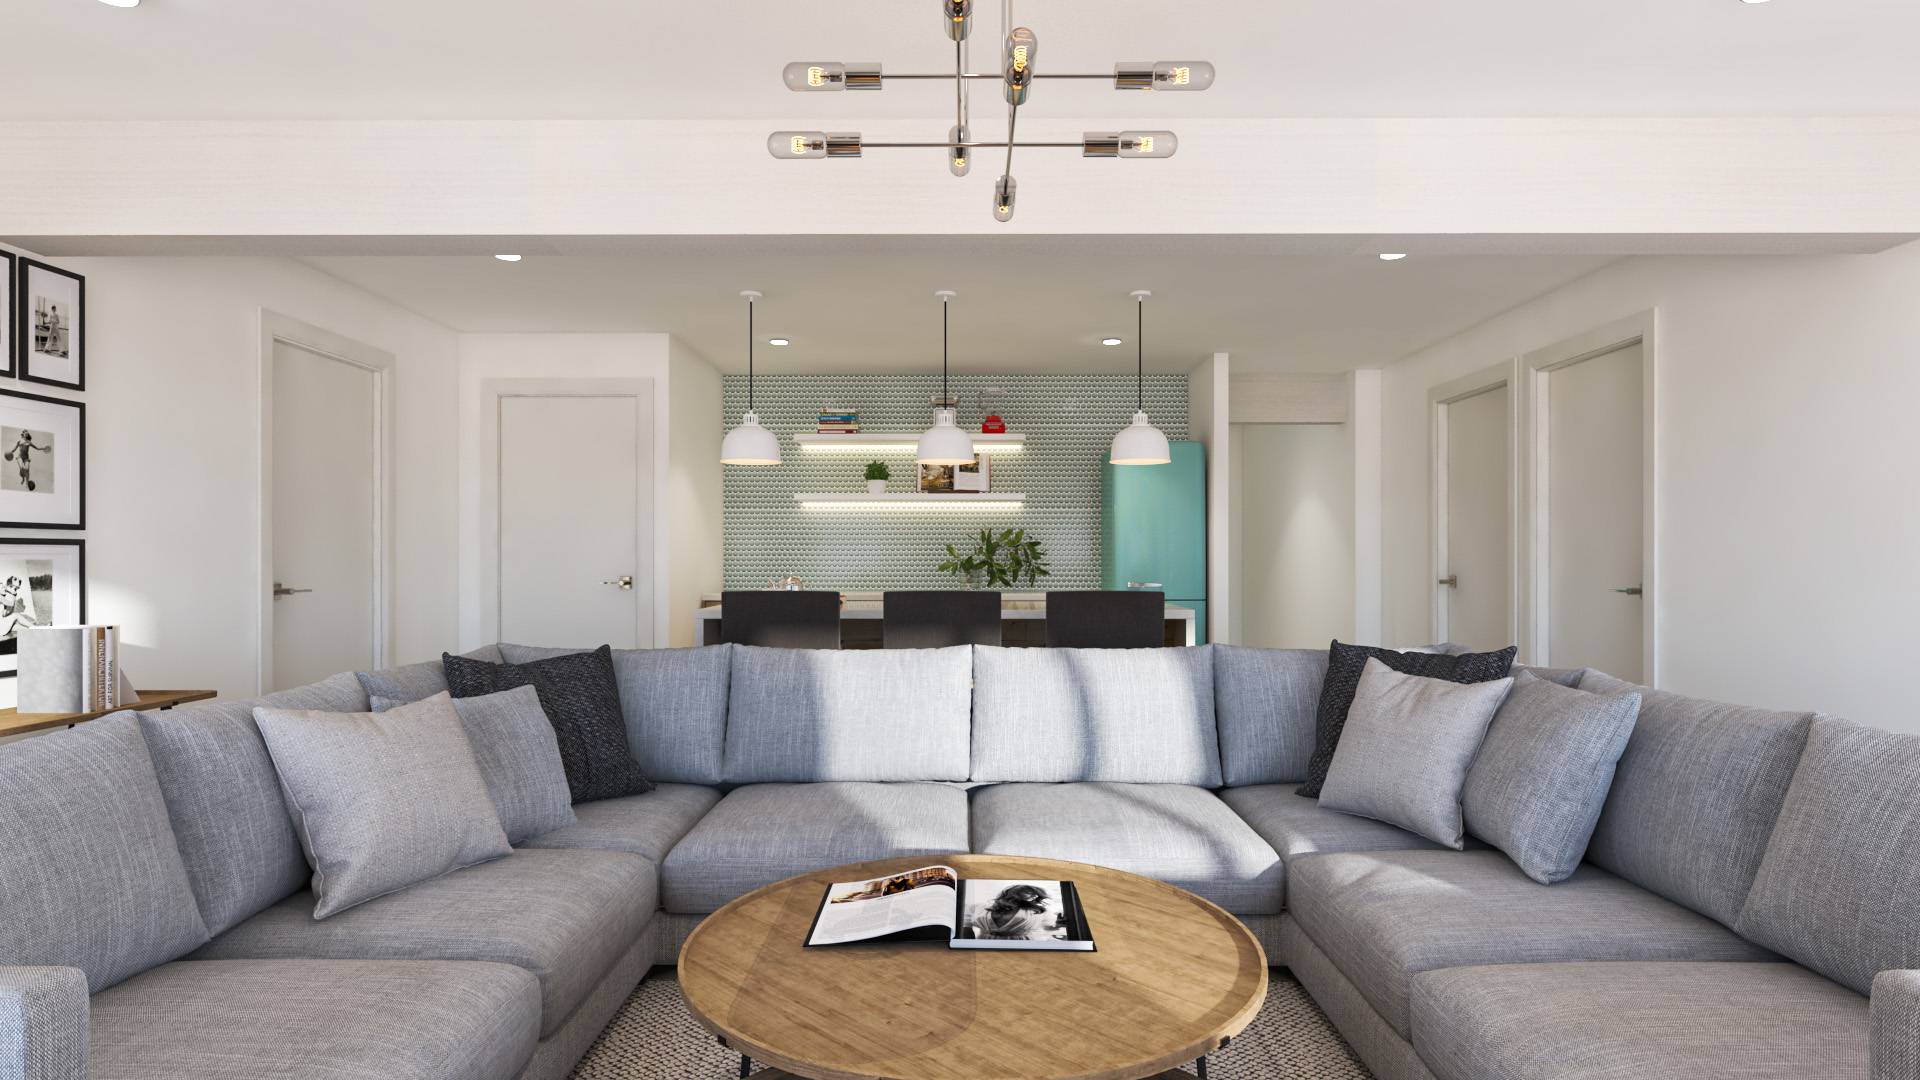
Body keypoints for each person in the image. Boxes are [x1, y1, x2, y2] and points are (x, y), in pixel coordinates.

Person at [962, 884, 1056, 940]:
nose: (1035, 896)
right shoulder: (976, 907)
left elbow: (1047, 929)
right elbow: (966, 929)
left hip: (1024, 945)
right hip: (984, 943)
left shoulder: (1038, 911)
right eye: (1029, 892)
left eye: (1036, 894)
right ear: (1014, 893)